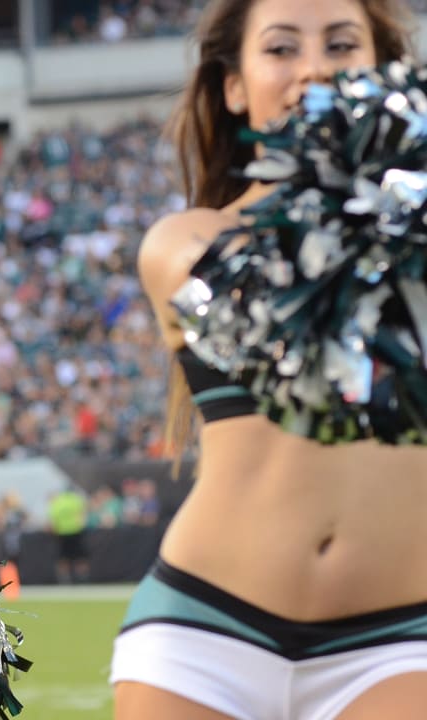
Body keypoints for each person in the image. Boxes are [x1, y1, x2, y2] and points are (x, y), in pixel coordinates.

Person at [113, 1, 427, 718]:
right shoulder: (181, 244)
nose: (314, 67)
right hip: (203, 629)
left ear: (383, 71)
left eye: (342, 46)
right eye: (282, 48)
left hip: (400, 638)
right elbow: (285, 310)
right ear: (234, 85)